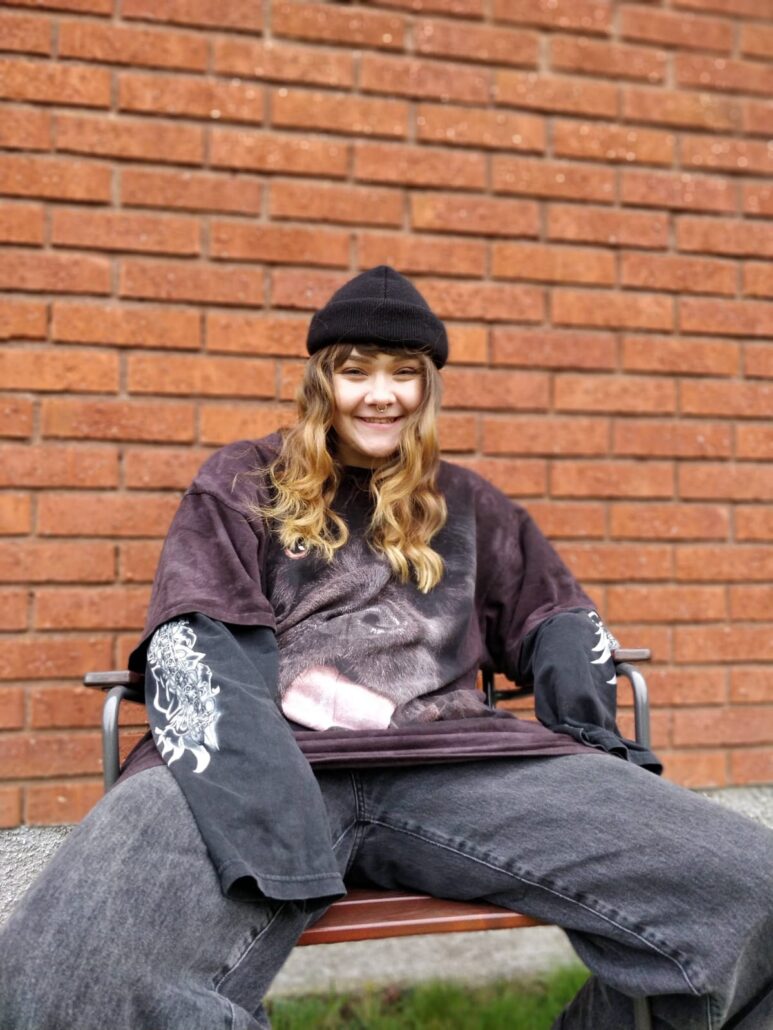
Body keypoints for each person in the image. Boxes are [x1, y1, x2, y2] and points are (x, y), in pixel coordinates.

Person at [0, 266, 771, 1030]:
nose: (381, 394)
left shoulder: (469, 503)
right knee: (68, 974)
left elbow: (557, 615)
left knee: (750, 885)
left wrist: (594, 743)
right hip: (259, 758)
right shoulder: (242, 481)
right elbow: (197, 629)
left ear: (427, 388)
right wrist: (262, 798)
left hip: (453, 763)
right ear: (320, 382)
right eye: (355, 371)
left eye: (404, 373)